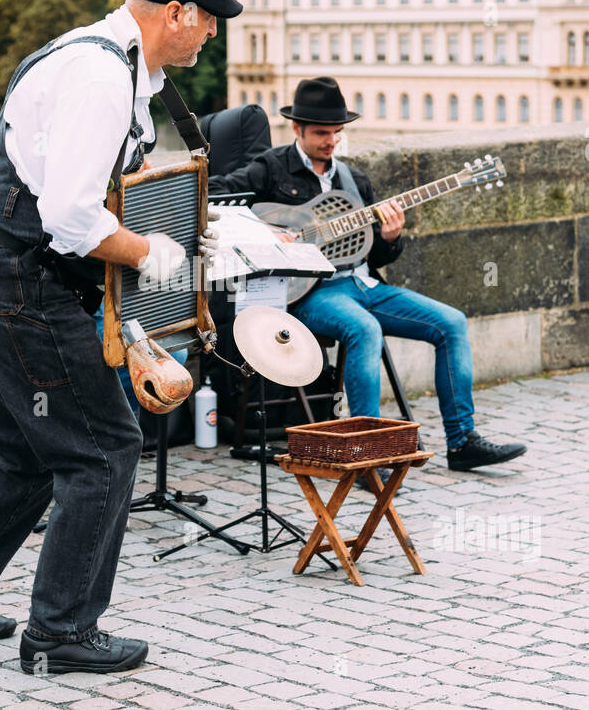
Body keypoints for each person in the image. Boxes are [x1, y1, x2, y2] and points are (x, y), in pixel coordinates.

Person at [0, 0, 239, 674]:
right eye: (208, 20)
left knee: (30, 446)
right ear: (176, 13)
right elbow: (71, 218)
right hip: (22, 276)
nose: (213, 33)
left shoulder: (110, 62)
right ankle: (60, 631)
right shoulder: (100, 76)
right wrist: (152, 253)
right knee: (102, 448)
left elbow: (82, 181)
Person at [208, 77, 527, 474]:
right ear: (297, 129)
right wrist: (267, 232)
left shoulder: (353, 180)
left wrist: (391, 236)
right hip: (311, 293)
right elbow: (218, 197)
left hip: (363, 283)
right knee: (365, 330)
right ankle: (365, 453)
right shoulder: (270, 168)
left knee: (452, 323)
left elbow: (373, 250)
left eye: (337, 133)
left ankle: (462, 442)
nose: (331, 141)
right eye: (321, 133)